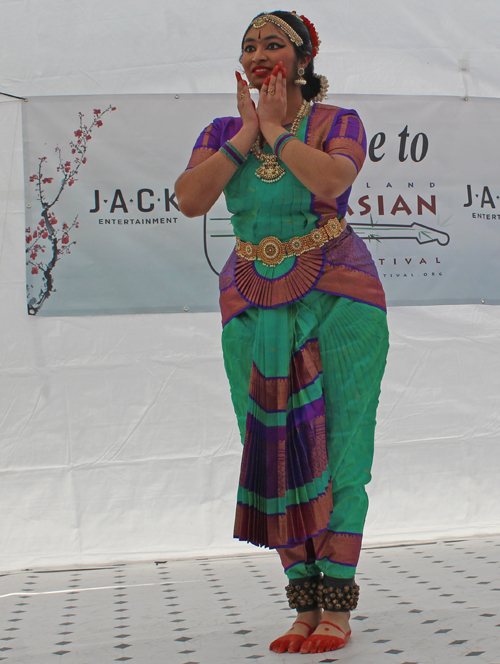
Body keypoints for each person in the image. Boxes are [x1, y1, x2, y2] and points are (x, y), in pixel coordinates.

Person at [175, 10, 389, 655]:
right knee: (271, 453)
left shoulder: (336, 122)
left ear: (302, 60)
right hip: (250, 300)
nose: (260, 53)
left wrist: (275, 129)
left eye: (274, 43)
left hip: (339, 296)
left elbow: (333, 179)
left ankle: (338, 605)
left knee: (343, 451)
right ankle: (302, 601)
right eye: (249, 46)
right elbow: (188, 199)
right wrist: (246, 136)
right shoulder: (220, 132)